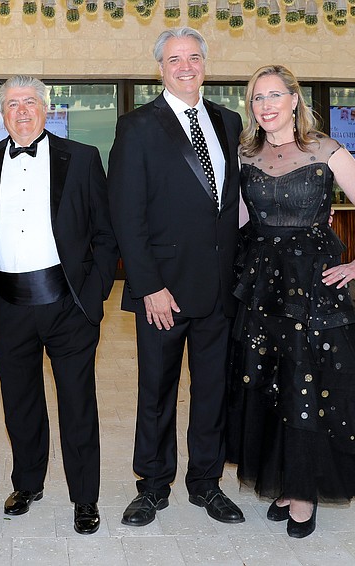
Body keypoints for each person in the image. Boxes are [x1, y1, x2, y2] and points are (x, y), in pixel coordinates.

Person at [226, 64, 355, 538]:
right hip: (260, 285)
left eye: (275, 95)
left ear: (295, 100)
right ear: (251, 107)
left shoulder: (325, 149)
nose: (267, 105)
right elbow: (237, 219)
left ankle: (304, 492)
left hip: (313, 286)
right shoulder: (245, 154)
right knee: (269, 382)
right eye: (258, 98)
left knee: (307, 382)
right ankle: (282, 477)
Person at [107, 28, 245, 527]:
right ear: (160, 69)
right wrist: (148, 286)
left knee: (212, 392)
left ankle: (206, 484)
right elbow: (126, 214)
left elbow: (231, 205)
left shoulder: (230, 122)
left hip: (220, 290)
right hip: (163, 290)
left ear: (205, 64)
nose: (185, 67)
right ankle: (153, 484)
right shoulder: (138, 126)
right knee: (157, 392)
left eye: (193, 58)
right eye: (173, 60)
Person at [0, 75, 118, 535]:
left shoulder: (83, 158)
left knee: (78, 404)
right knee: (20, 403)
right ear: (2, 111)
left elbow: (106, 236)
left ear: (47, 108)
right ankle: (27, 483)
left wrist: (91, 301)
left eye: (29, 102)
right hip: (8, 305)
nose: (21, 111)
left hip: (67, 304)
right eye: (12, 104)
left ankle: (85, 497)